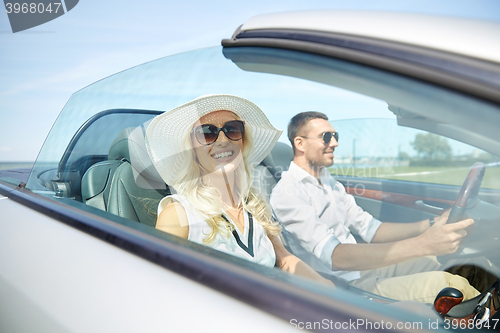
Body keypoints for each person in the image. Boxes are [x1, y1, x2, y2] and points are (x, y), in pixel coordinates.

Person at [270, 111, 497, 303]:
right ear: (299, 143)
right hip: (345, 284)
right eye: (326, 136)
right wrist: (424, 244)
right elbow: (336, 257)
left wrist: (430, 225)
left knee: (472, 267)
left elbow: (372, 229)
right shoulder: (287, 194)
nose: (335, 143)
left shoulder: (329, 182)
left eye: (335, 135)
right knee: (449, 283)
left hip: (366, 266)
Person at [145, 94, 332, 286]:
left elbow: (283, 259)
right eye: (207, 133)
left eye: (232, 130)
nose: (223, 139)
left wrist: (332, 290)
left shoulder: (255, 207)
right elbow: (160, 287)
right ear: (192, 151)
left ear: (243, 142)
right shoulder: (178, 214)